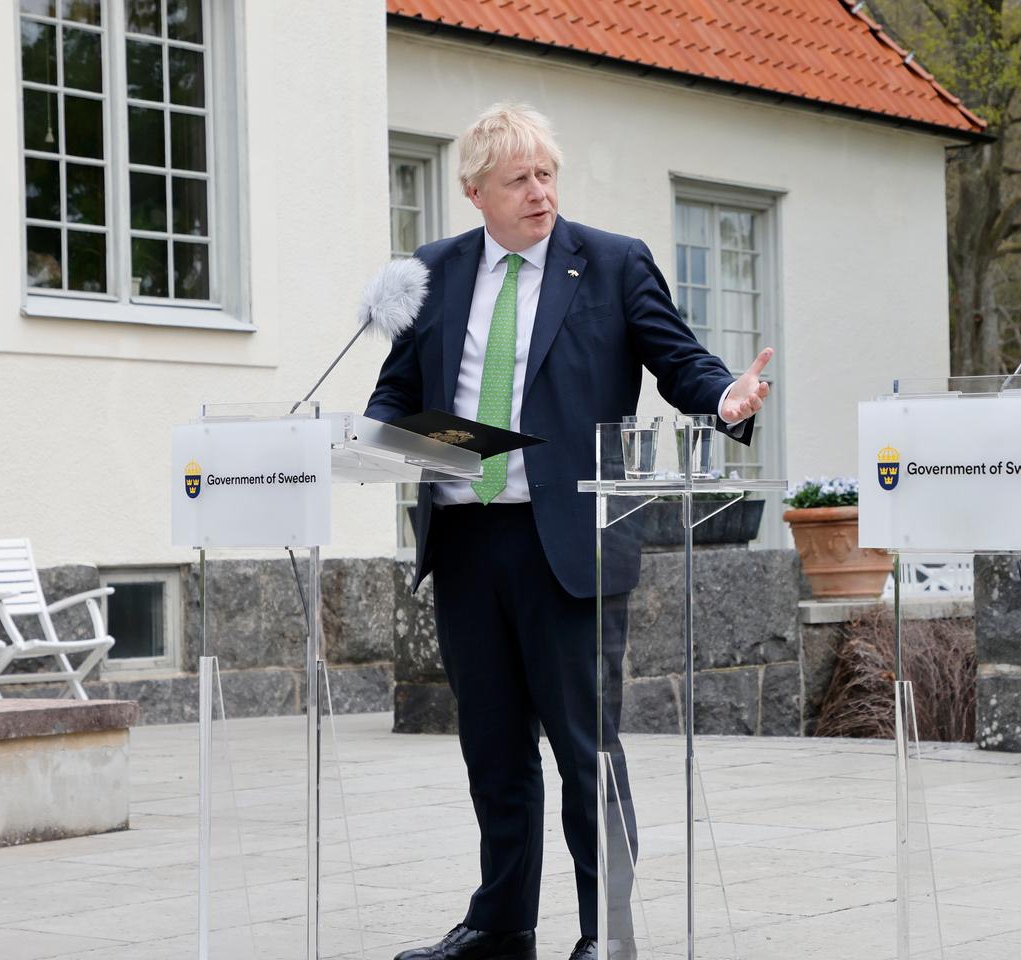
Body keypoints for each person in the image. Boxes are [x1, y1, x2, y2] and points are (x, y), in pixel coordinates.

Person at [366, 103, 772, 960]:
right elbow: (393, 398)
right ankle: (500, 924)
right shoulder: (433, 274)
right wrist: (387, 442)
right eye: (518, 180)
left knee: (586, 752)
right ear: (474, 190)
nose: (539, 192)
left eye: (547, 173)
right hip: (468, 541)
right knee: (492, 750)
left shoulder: (614, 264)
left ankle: (607, 933)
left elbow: (681, 360)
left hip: (572, 544)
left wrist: (725, 398)